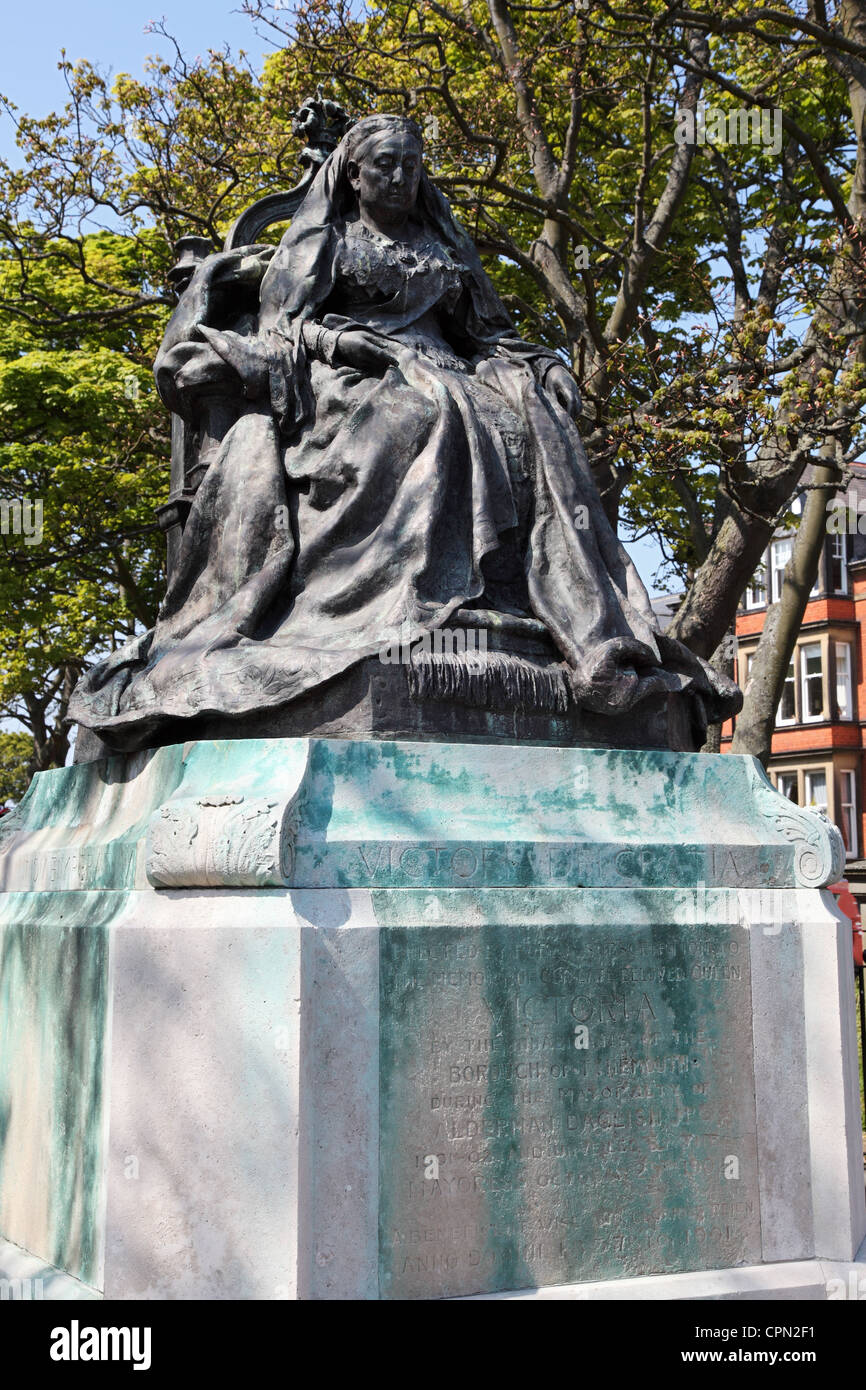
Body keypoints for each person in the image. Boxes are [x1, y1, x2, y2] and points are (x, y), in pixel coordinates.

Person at [69, 113, 738, 749]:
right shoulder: (328, 242)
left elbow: (487, 334)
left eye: (411, 167)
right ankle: (416, 597)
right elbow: (284, 328)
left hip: (450, 366)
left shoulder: (443, 247)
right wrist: (347, 340)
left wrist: (543, 365)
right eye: (385, 166)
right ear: (353, 175)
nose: (400, 178)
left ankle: (517, 604)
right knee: (425, 414)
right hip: (350, 373)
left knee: (526, 415)